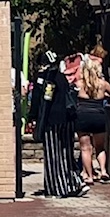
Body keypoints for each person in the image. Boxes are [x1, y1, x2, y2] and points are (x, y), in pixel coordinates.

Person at [31, 52, 86, 197]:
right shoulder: (61, 77)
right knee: (66, 153)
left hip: (52, 120)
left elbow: (40, 99)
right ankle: (75, 182)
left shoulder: (44, 78)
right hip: (67, 120)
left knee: (52, 155)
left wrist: (33, 117)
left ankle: (57, 188)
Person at [76, 47, 110, 183]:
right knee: (100, 146)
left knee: (86, 148)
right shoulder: (103, 84)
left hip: (83, 116)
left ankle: (89, 176)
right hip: (99, 116)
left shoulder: (80, 84)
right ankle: (103, 170)